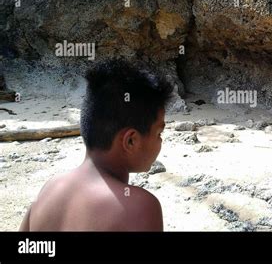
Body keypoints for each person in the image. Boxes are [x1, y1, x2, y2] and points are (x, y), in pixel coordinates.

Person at [19, 60, 173, 231]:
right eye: (159, 133)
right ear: (131, 141)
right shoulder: (140, 207)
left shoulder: (50, 188)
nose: (161, 141)